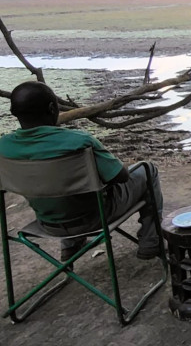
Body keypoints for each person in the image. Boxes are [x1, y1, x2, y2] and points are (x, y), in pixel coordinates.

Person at [0, 81, 164, 261]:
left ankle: (71, 246)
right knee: (147, 170)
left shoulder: (3, 147)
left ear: (14, 113)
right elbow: (121, 177)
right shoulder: (78, 141)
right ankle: (151, 242)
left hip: (47, 224)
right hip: (95, 218)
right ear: (52, 108)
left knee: (60, 190)